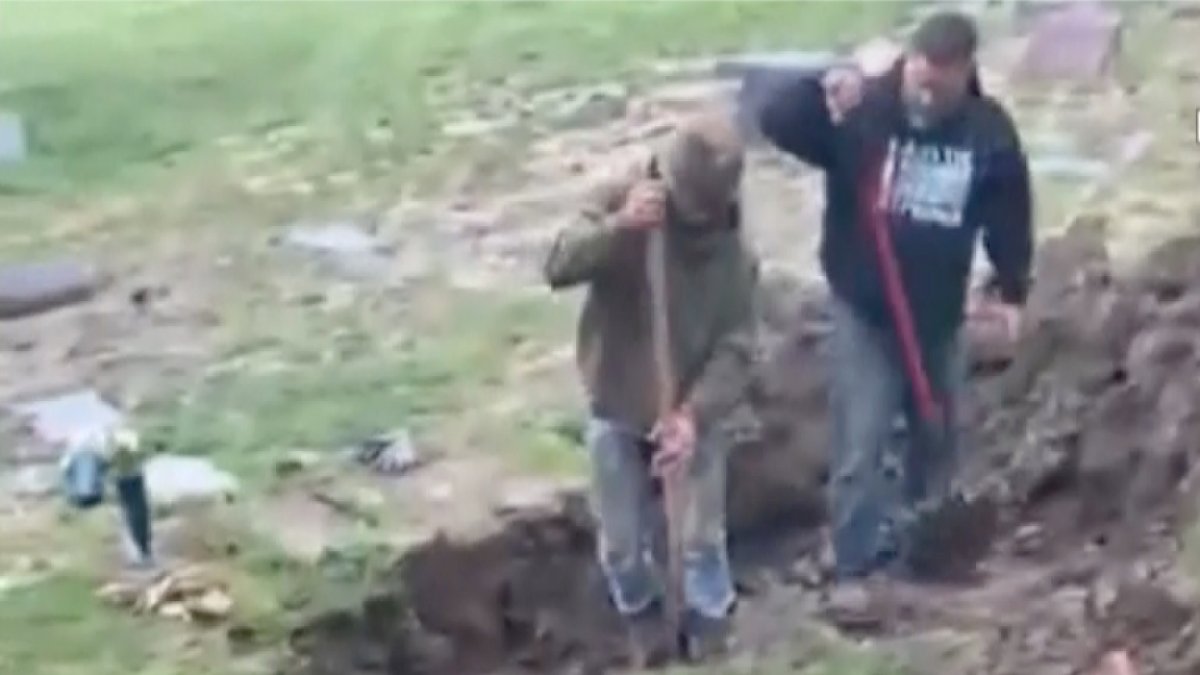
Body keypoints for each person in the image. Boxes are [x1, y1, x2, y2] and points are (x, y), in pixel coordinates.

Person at [755, 11, 1033, 580]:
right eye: (919, 80)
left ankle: (928, 549)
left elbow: (1010, 211)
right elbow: (775, 119)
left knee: (938, 437)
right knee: (863, 442)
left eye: (940, 85)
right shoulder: (865, 115)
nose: (927, 96)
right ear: (908, 62)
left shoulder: (987, 130)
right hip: (866, 309)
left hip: (939, 313)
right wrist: (825, 84)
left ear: (965, 73)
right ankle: (856, 564)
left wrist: (1010, 289)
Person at [542, 109, 759, 664]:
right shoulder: (626, 197)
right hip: (617, 396)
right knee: (621, 547)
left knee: (701, 540)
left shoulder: (733, 252)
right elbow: (557, 265)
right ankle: (645, 626)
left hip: (690, 406)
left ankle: (709, 629)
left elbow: (737, 346)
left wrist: (692, 416)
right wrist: (619, 230)